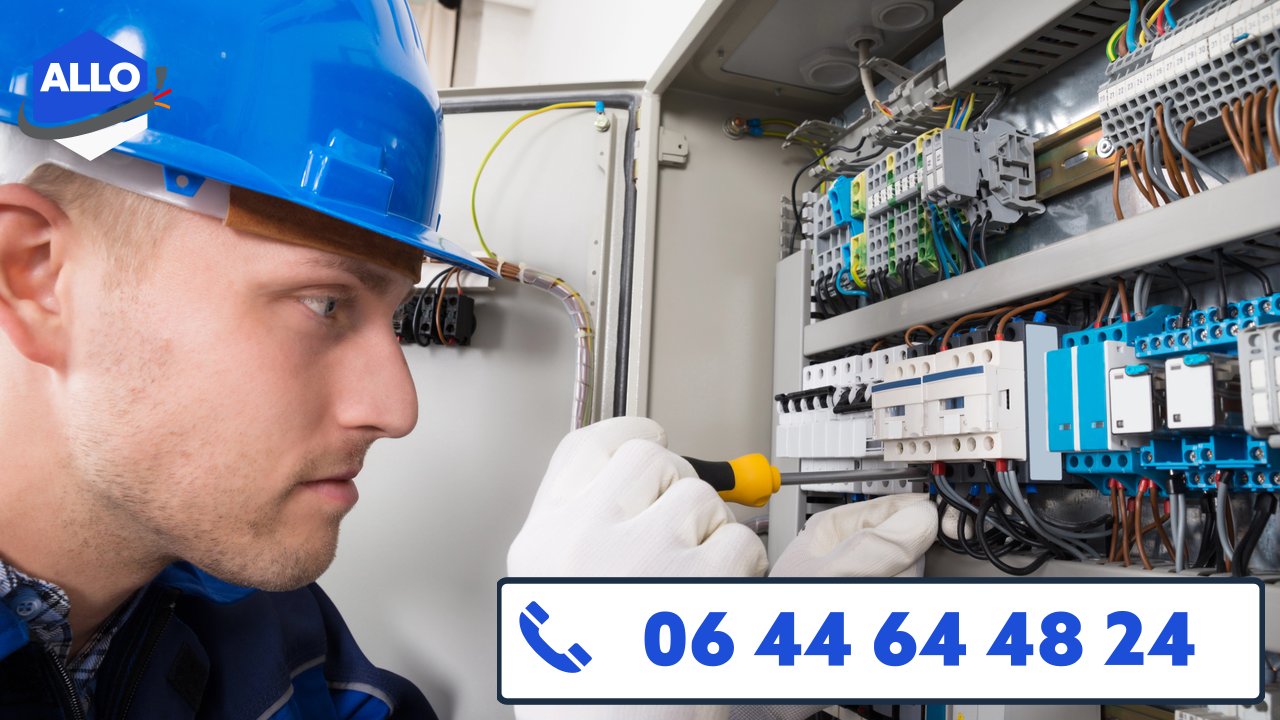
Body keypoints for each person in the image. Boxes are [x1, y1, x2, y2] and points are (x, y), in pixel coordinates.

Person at [0, 2, 937, 718]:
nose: (398, 407)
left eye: (395, 314)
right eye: (324, 303)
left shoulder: (259, 628)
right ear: (38, 275)